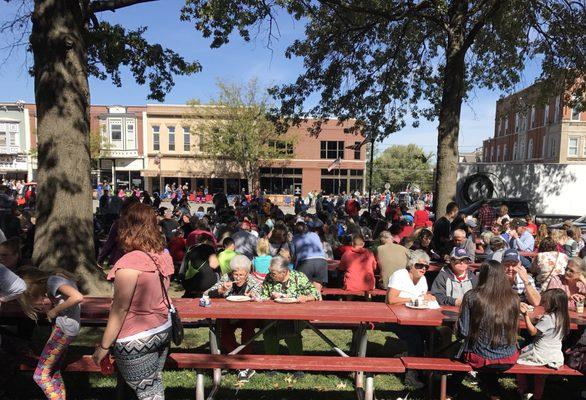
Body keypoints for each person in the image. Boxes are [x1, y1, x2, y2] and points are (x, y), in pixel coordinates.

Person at [92, 203, 174, 400]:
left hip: (135, 338)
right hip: (162, 330)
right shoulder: (162, 256)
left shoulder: (129, 264)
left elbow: (120, 309)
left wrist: (103, 347)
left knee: (150, 394)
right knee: (152, 386)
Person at [457, 260, 520, 399]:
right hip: (509, 356)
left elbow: (464, 332)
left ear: (482, 275)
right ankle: (494, 393)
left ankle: (449, 389)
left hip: (482, 357)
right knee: (484, 361)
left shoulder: (472, 296)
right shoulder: (514, 297)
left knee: (461, 354)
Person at [20, 267, 83, 400]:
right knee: (53, 372)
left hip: (64, 330)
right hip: (66, 328)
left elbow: (77, 297)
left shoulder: (53, 281)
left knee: (40, 376)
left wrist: (55, 311)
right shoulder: (56, 279)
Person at [204, 255, 261, 381]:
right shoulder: (226, 278)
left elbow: (260, 297)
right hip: (228, 314)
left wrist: (253, 296)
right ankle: (243, 364)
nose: (238, 277)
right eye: (236, 274)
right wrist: (221, 290)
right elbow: (206, 294)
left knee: (248, 332)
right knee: (224, 331)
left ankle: (240, 364)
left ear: (247, 273)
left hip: (248, 315)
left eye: (242, 274)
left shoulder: (253, 281)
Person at [386, 250, 435, 389]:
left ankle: (422, 365)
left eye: (426, 266)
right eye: (420, 265)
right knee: (415, 338)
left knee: (434, 335)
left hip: (417, 318)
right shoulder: (400, 275)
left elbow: (422, 301)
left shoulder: (423, 280)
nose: (423, 269)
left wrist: (429, 300)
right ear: (411, 265)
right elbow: (391, 300)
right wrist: (416, 298)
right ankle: (411, 375)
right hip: (394, 318)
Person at [261, 256, 320, 367]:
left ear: (284, 272)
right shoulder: (269, 278)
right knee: (269, 333)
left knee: (291, 332)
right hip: (273, 315)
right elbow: (263, 296)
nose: (271, 275)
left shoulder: (299, 277)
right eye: (270, 272)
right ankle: (271, 365)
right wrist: (270, 298)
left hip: (296, 316)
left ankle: (297, 365)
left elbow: (316, 294)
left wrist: (306, 298)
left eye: (273, 273)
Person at [517, 289, 570, 400]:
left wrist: (526, 315)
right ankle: (537, 396)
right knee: (540, 376)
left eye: (545, 301)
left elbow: (532, 332)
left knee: (516, 361)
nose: (542, 304)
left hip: (540, 353)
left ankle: (522, 389)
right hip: (555, 355)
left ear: (553, 304)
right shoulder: (563, 317)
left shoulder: (548, 318)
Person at [291, 221, 328, 291]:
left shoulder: (295, 238)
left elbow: (294, 256)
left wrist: (294, 269)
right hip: (322, 261)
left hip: (306, 262)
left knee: (303, 290)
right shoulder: (315, 235)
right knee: (317, 292)